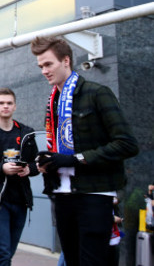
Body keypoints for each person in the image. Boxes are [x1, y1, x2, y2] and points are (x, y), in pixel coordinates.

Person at [31, 36, 138, 266]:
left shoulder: (97, 92)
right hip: (62, 194)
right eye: (40, 66)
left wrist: (74, 159)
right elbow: (61, 147)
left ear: (66, 60)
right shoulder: (53, 101)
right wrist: (49, 161)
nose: (44, 71)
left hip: (94, 194)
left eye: (48, 64)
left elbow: (127, 143)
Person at [0, 88, 39, 266]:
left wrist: (29, 169)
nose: (5, 106)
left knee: (8, 251)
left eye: (9, 103)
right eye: (1, 103)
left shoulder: (26, 133)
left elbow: (36, 163)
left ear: (15, 106)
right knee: (3, 252)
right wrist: (2, 168)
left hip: (20, 200)